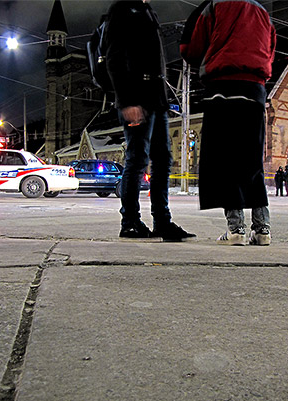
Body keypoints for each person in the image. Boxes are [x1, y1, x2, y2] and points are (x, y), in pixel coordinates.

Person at [181, 0, 276, 246]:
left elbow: (192, 49)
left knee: (226, 160)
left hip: (222, 87)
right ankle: (262, 229)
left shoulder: (214, 6)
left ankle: (236, 230)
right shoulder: (262, 12)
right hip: (255, 90)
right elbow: (270, 49)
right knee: (252, 160)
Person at [105, 0, 195, 241]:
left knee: (163, 159)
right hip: (137, 97)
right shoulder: (122, 9)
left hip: (157, 98)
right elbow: (114, 58)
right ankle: (130, 222)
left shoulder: (147, 11)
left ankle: (162, 222)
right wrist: (126, 101)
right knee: (137, 159)